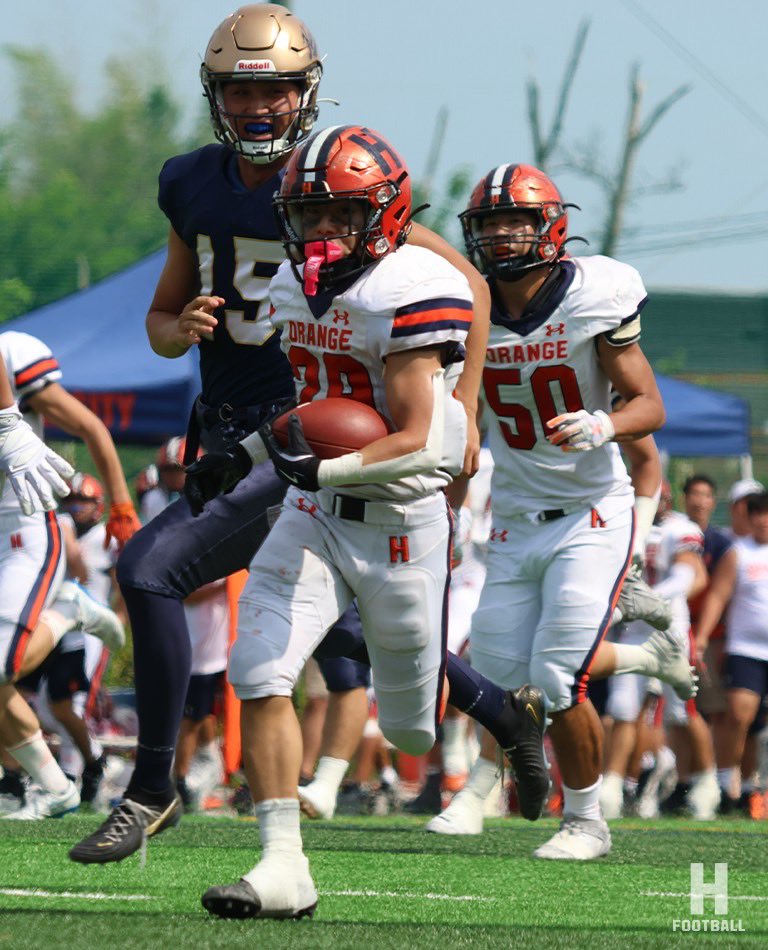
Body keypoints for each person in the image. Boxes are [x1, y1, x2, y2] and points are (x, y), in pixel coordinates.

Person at [69, 3, 495, 865]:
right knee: (352, 632)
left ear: (308, 91)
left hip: (308, 436)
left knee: (150, 569)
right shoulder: (190, 181)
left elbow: (466, 289)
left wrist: (466, 409)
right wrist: (179, 324)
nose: (256, 106)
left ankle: (153, 788)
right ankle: (503, 711)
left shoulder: (335, 178)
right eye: (237, 90)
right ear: (213, 94)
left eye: (274, 89)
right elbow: (159, 318)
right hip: (226, 432)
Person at [184, 123, 544, 921]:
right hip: (315, 512)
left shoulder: (411, 286)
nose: (321, 231)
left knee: (412, 732)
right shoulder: (290, 286)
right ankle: (283, 866)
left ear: (383, 212)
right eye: (308, 214)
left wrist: (325, 467)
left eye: (340, 215)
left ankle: (508, 717)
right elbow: (312, 407)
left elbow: (415, 438)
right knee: (259, 668)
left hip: (401, 520)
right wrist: (240, 455)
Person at [427, 163, 670, 860]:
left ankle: (588, 820)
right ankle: (484, 789)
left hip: (591, 510)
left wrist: (604, 424)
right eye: (490, 224)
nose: (503, 236)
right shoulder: (466, 307)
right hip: (514, 510)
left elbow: (649, 405)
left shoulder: (594, 296)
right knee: (498, 677)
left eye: (517, 222)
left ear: (550, 227)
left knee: (559, 674)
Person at [0, 331, 130, 820]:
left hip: (23, 531)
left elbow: (91, 426)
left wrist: (119, 507)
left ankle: (67, 611)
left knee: (3, 667)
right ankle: (56, 788)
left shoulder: (11, 352)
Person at [695, 491, 768, 812]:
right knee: (738, 716)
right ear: (749, 518)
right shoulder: (739, 553)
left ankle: (753, 787)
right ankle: (728, 789)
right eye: (757, 514)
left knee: (756, 727)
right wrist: (700, 637)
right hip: (746, 649)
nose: (763, 520)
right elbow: (717, 597)